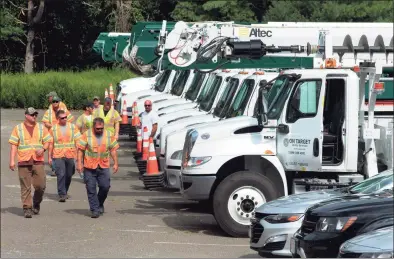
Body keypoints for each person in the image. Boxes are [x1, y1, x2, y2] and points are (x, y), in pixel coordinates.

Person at [8, 107, 53, 218]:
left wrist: (43, 149)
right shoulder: (18, 128)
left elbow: (48, 141)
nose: (34, 117)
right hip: (24, 161)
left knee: (41, 186)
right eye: (32, 115)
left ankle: (36, 203)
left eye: (35, 115)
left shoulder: (41, 128)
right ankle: (27, 208)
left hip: (38, 161)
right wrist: (12, 160)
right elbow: (14, 145)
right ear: (26, 115)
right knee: (25, 187)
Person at [76, 117, 119, 218]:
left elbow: (113, 149)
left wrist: (116, 163)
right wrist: (79, 164)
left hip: (103, 166)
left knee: (105, 187)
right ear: (93, 127)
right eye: (97, 129)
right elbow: (80, 150)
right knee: (91, 188)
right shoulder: (86, 135)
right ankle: (95, 209)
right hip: (89, 167)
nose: (100, 130)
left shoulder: (108, 134)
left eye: (101, 128)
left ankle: (99, 203)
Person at [49, 110, 81, 202]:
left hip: (70, 154)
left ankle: (65, 191)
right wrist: (49, 157)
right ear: (58, 119)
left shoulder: (72, 127)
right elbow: (51, 144)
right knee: (61, 174)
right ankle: (62, 194)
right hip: (58, 155)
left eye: (65, 117)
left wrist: (79, 153)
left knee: (69, 174)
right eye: (62, 118)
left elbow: (78, 140)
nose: (65, 119)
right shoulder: (53, 129)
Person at [42, 95, 74, 176]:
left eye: (57, 102)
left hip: (63, 134)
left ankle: (65, 167)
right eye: (53, 102)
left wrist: (64, 125)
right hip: (52, 134)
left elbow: (70, 119)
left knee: (63, 151)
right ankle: (54, 169)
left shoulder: (63, 111)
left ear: (59, 102)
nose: (55, 103)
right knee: (52, 152)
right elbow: (45, 122)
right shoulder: (48, 112)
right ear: (51, 103)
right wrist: (52, 127)